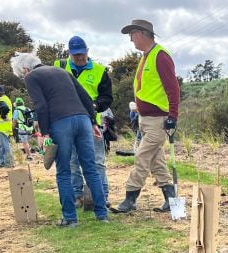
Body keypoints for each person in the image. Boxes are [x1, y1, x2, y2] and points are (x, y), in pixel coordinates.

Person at [10, 52, 108, 226]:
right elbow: (85, 96)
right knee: (90, 169)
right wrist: (93, 122)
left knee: (64, 172)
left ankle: (70, 218)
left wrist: (45, 133)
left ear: (26, 69)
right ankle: (102, 214)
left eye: (22, 74)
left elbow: (41, 105)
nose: (24, 77)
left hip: (61, 123)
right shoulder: (62, 71)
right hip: (83, 120)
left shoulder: (32, 77)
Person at [115, 19, 179, 213]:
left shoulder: (160, 56)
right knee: (156, 161)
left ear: (141, 33)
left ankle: (130, 197)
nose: (130, 39)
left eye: (132, 35)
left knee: (142, 157)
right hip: (145, 119)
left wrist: (173, 116)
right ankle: (171, 199)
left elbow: (173, 88)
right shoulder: (145, 57)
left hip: (159, 121)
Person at [54, 36, 112, 208]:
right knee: (72, 161)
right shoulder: (59, 67)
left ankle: (102, 195)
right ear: (69, 54)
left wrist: (95, 105)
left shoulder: (100, 70)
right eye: (75, 55)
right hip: (66, 120)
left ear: (87, 52)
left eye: (81, 54)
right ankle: (77, 196)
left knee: (97, 161)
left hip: (92, 119)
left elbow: (107, 97)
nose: (79, 58)